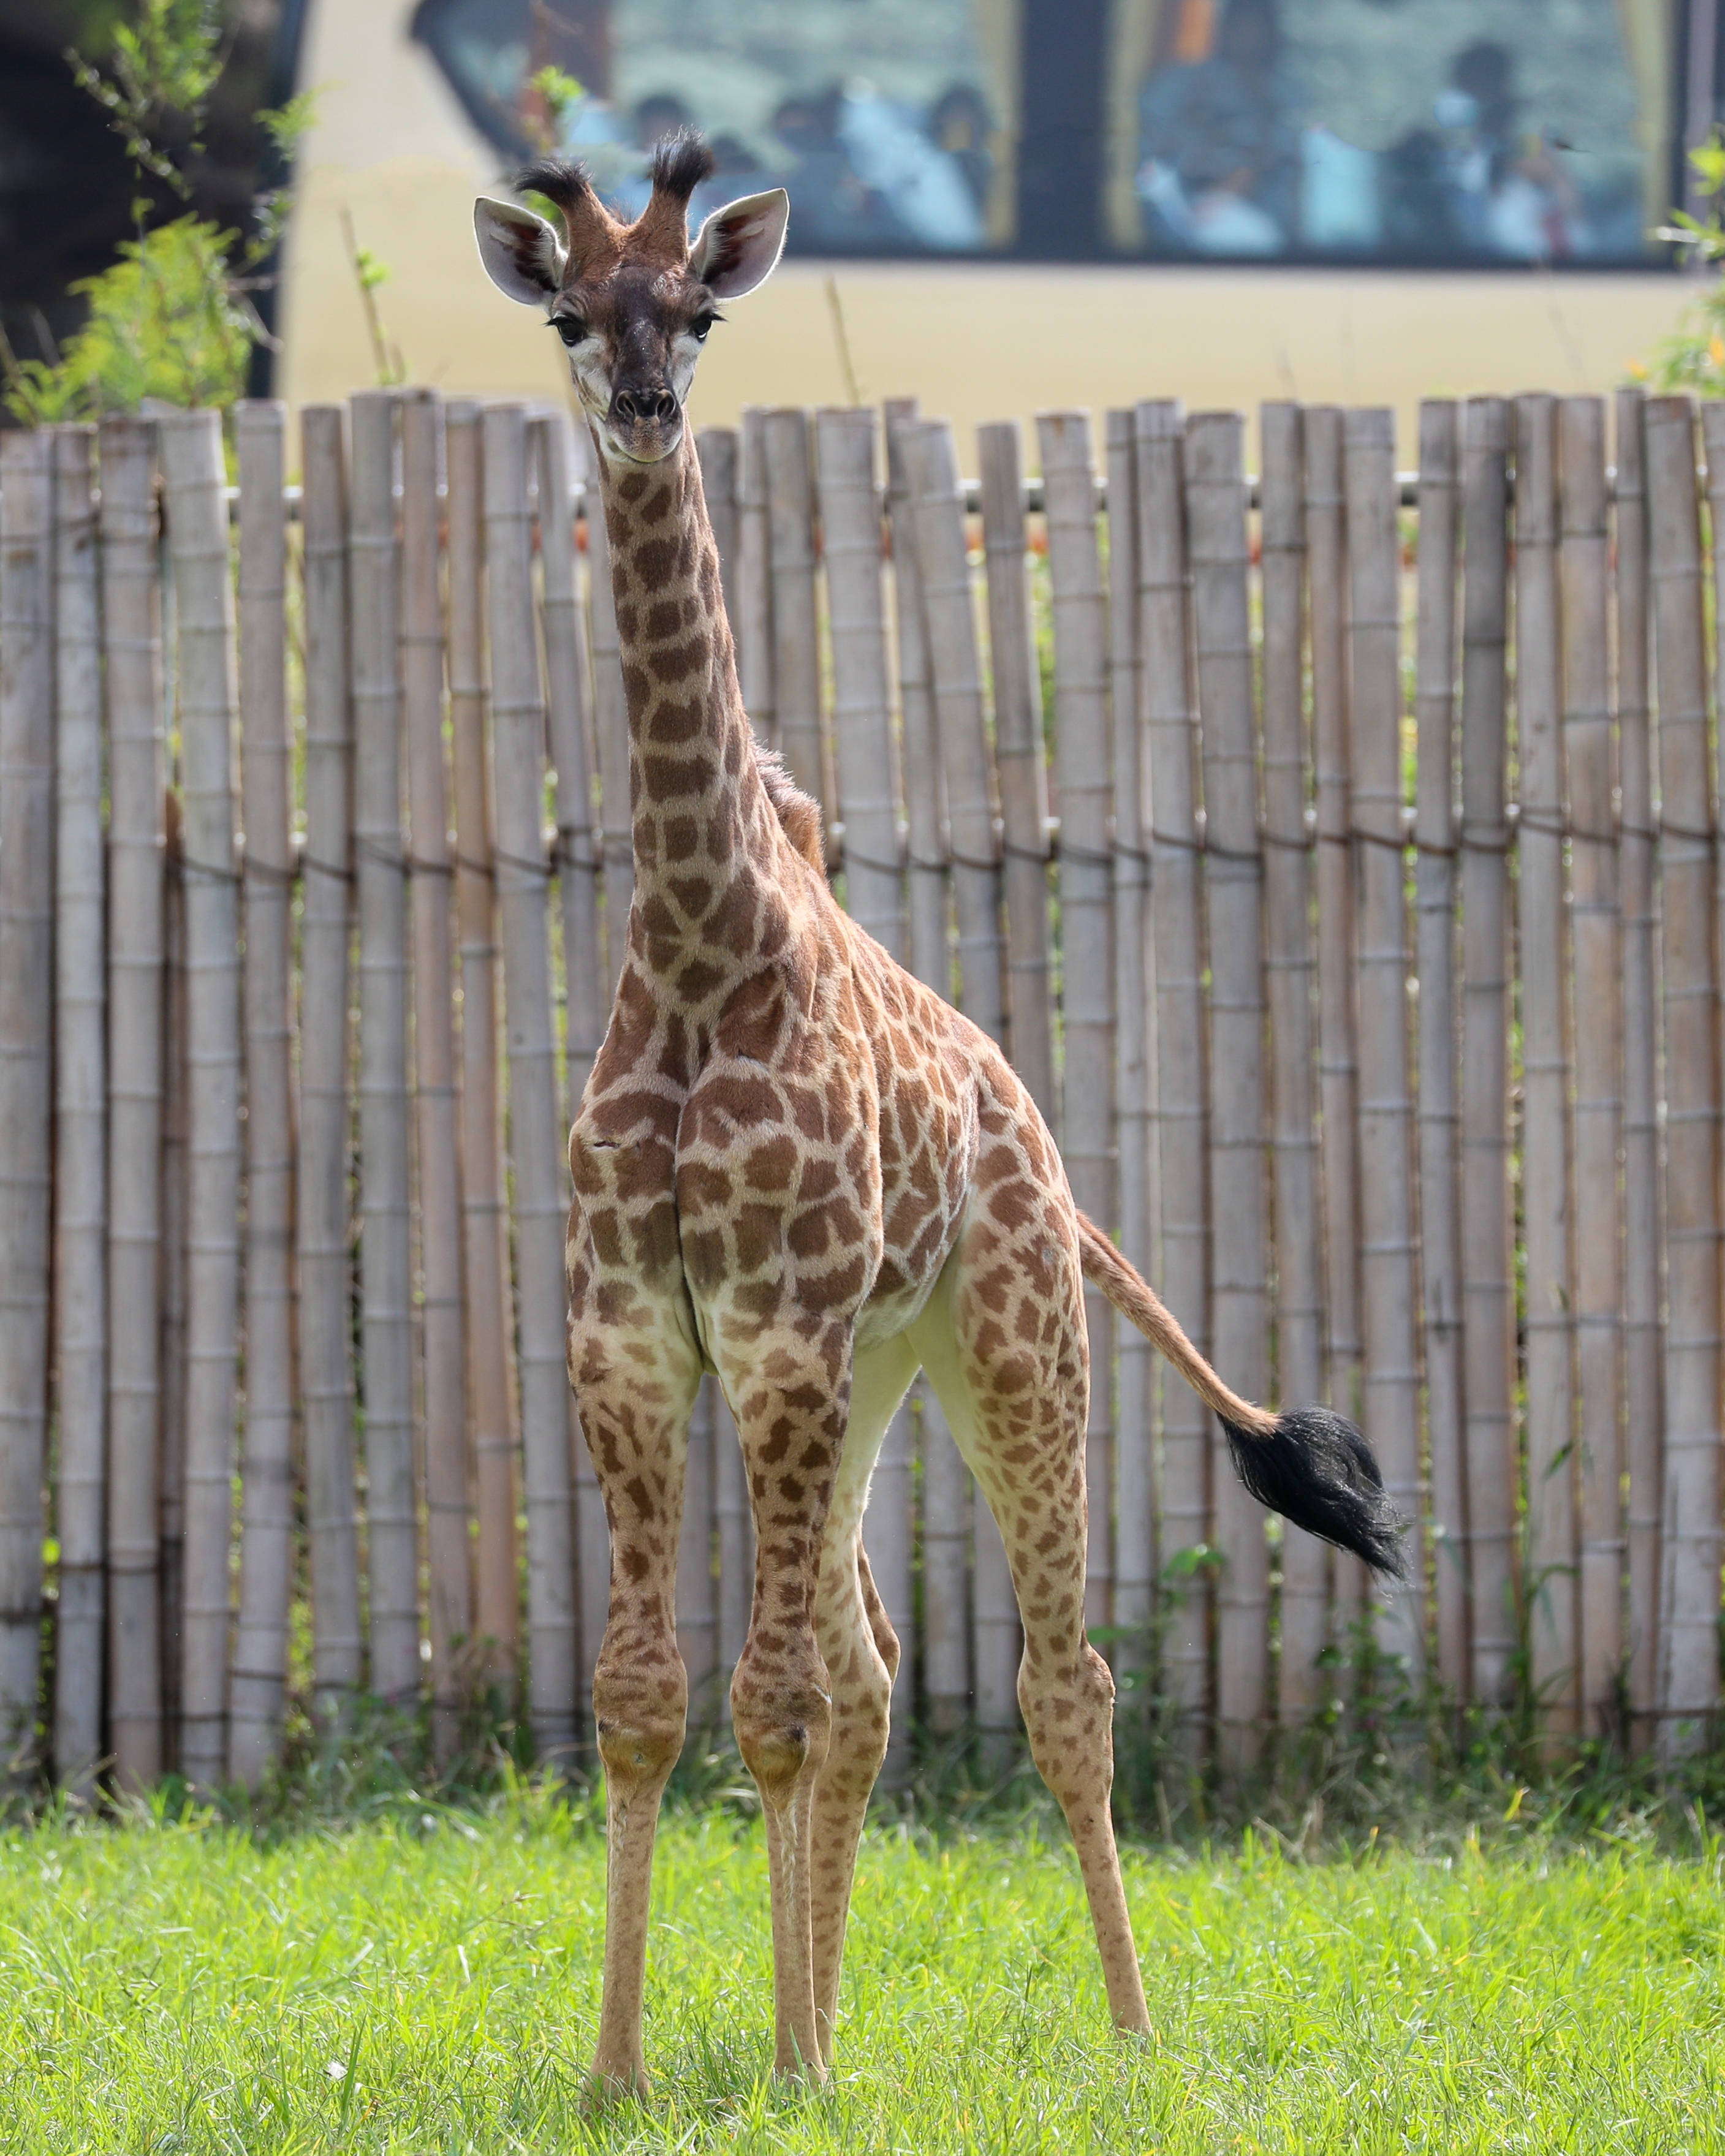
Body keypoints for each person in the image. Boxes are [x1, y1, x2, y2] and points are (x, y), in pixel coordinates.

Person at [1137, 0, 1298, 255]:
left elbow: (1291, 151)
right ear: (1223, 27)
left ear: (1270, 31)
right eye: (1239, 24)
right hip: (1184, 208)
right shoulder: (1182, 81)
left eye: (1255, 26)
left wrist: (1244, 176)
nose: (1246, 34)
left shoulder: (1288, 92)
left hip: (1263, 220)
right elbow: (1153, 132)